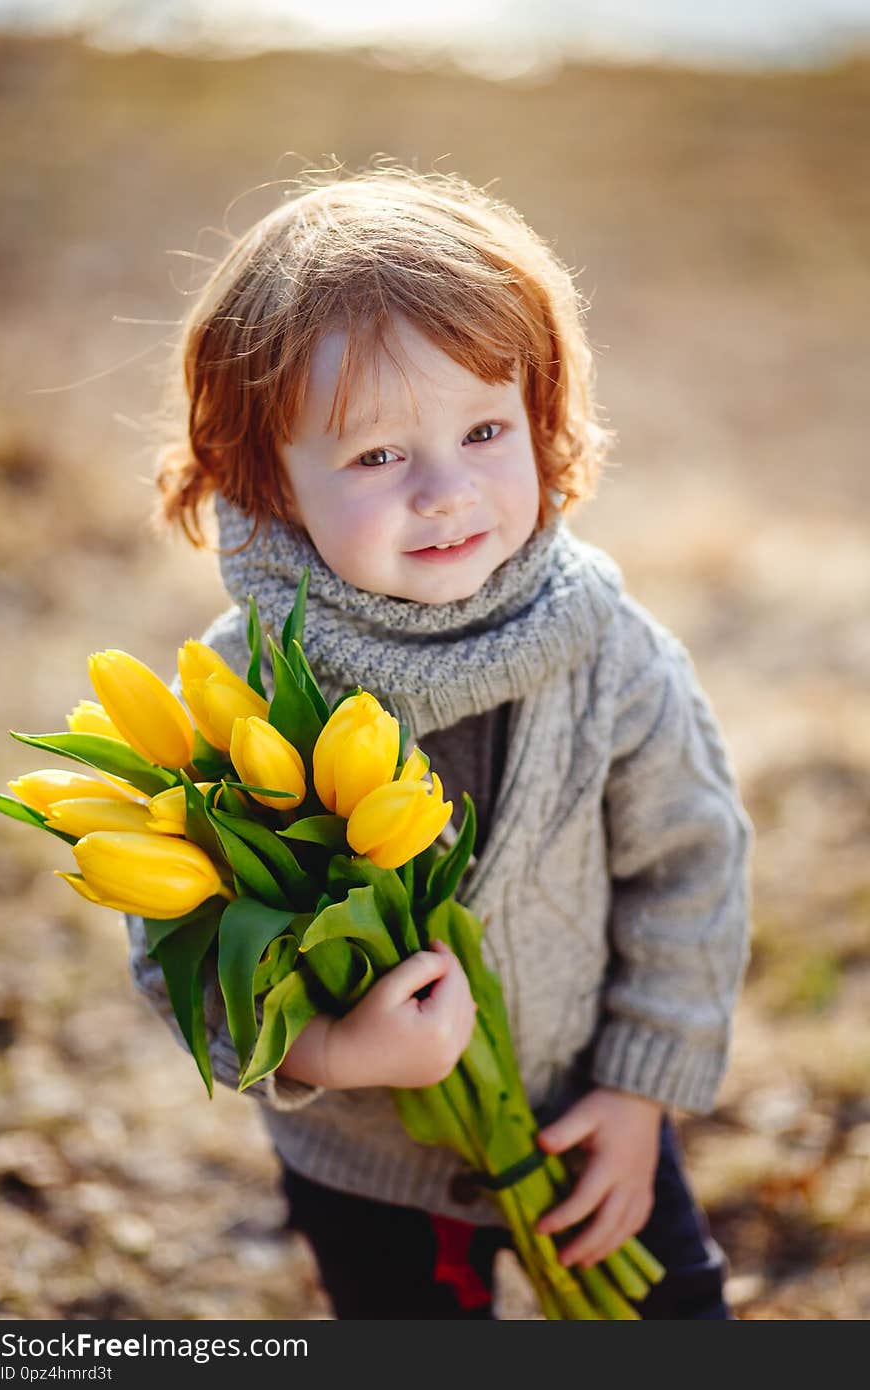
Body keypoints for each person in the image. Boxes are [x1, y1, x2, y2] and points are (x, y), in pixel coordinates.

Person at [125, 164, 753, 1320]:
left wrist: (637, 1092)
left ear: (541, 415)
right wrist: (330, 1053)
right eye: (375, 455)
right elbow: (178, 947)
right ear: (266, 478)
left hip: (586, 1122)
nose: (446, 491)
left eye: (483, 428)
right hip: (368, 1168)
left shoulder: (608, 652)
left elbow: (690, 870)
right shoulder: (245, 690)